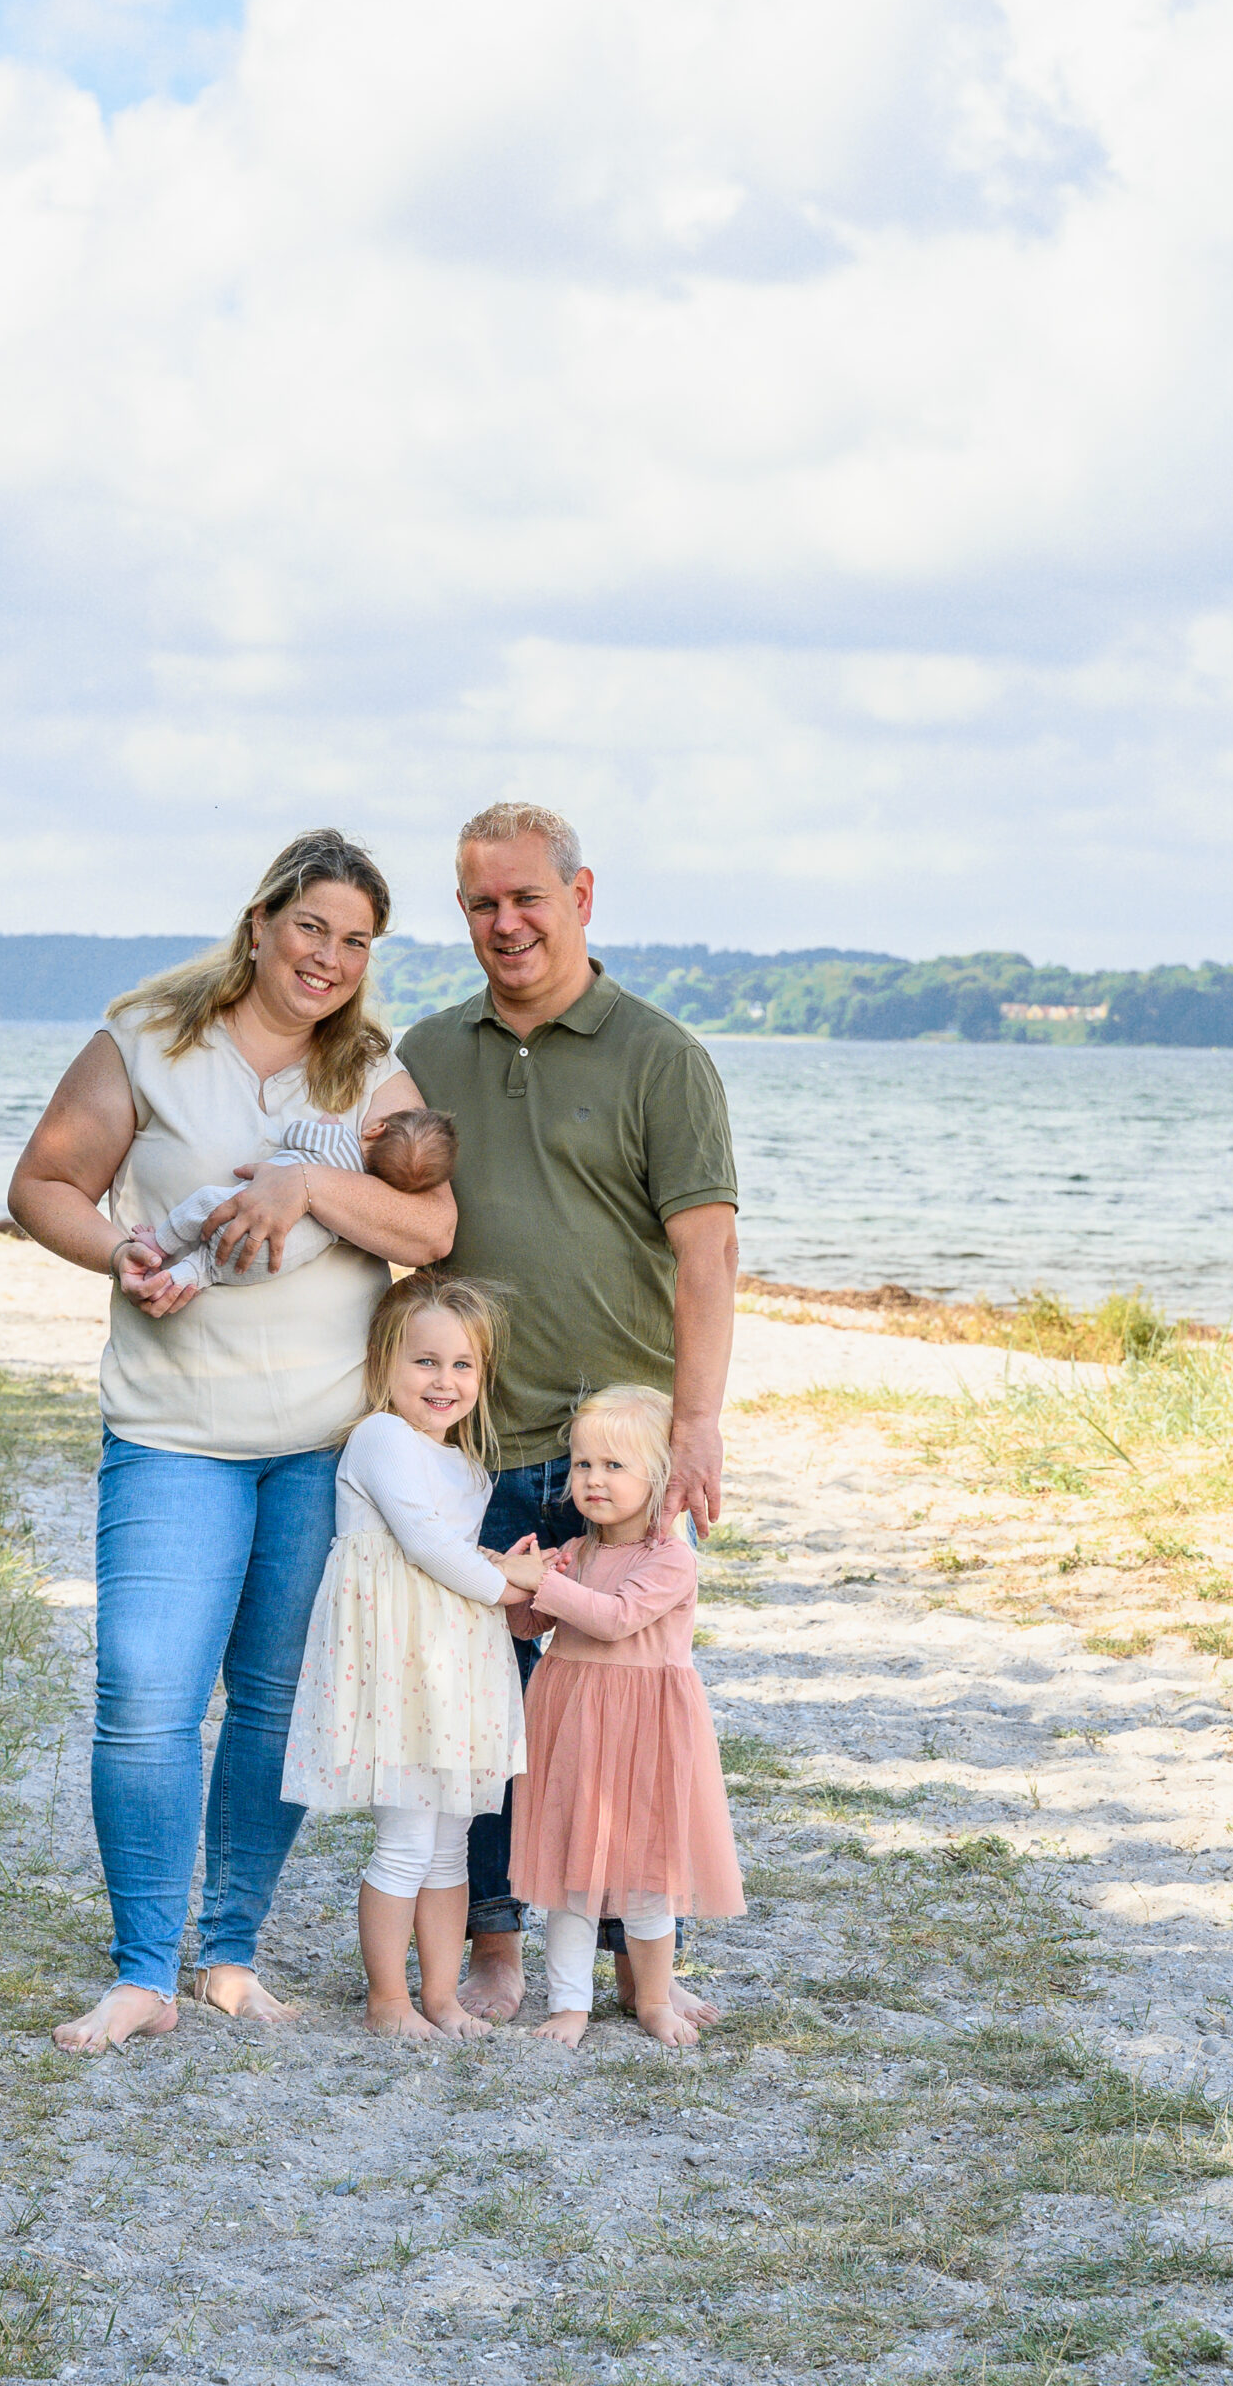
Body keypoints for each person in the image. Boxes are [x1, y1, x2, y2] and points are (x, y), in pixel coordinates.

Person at [9, 828, 455, 2057]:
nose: (328, 957)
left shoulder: (368, 1070)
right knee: (147, 1694)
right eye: (310, 927)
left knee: (270, 1699)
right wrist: (122, 1251)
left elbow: (432, 1221)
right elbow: (42, 1183)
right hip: (173, 1434)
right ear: (260, 922)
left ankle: (228, 1952)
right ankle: (144, 1969)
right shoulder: (146, 1039)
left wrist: (309, 1189)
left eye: (355, 940)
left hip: (320, 1448)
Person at [396, 800, 739, 2023]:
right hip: (477, 1448)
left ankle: (643, 1960)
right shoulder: (427, 1051)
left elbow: (705, 1257)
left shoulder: (660, 1056)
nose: (506, 922)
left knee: (632, 1707)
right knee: (487, 1712)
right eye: (482, 903)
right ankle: (496, 1943)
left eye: (527, 897)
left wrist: (694, 1427)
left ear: (581, 898)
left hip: (620, 1463)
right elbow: (383, 1216)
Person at [282, 1273, 528, 2040]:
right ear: (384, 1362)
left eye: (462, 1366)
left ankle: (442, 1996)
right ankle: (387, 1999)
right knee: (405, 1839)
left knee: (451, 1839)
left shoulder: (467, 1466)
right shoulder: (380, 1437)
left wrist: (504, 1565)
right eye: (425, 1361)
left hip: (453, 1667)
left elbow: (448, 1546)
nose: (444, 1381)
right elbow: (421, 1544)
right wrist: (503, 1580)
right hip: (397, 1670)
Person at [501, 1384, 744, 2050]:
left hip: (644, 1731)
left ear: (658, 1478)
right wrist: (520, 1588)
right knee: (572, 1879)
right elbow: (533, 1623)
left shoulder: (669, 1558)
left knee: (645, 1881)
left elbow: (613, 1620)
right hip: (575, 1720)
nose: (593, 1480)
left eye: (614, 1466)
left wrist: (536, 1580)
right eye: (582, 1465)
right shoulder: (576, 1553)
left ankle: (654, 1999)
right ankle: (570, 2006)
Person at [137, 1108, 457, 1295]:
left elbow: (294, 1135)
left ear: (376, 1129)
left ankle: (159, 1245)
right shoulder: (364, 1194)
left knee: (207, 1202)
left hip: (240, 1217)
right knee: (207, 1267)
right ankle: (169, 1282)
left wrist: (324, 1123)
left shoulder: (339, 1139)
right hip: (268, 1263)